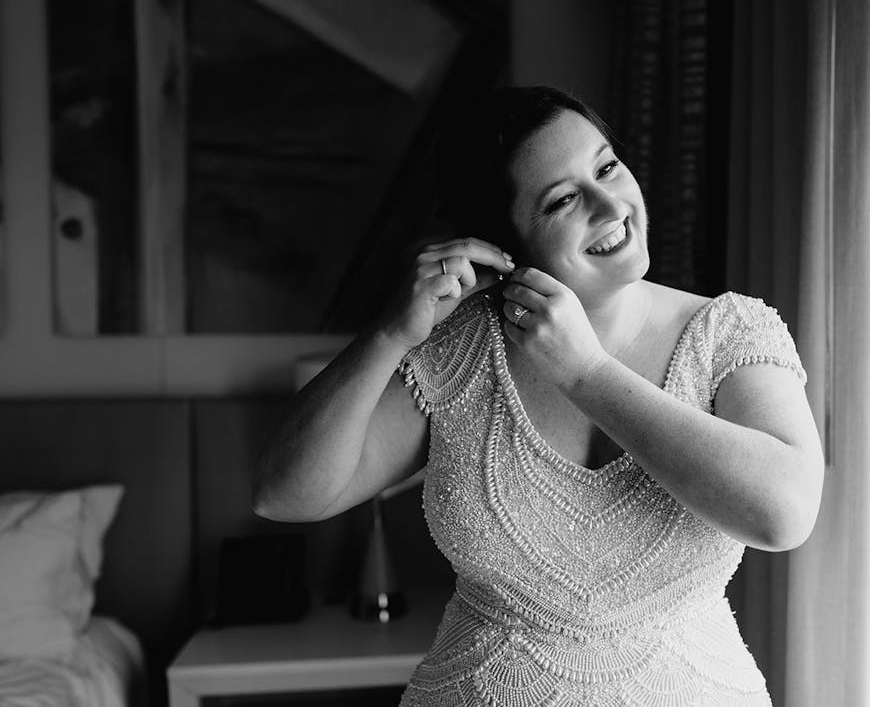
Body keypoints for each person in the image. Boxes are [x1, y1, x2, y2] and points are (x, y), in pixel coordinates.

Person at [252, 85, 824, 705]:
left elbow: (784, 512)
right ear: (507, 247)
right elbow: (285, 495)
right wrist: (391, 333)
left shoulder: (730, 332)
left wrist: (586, 373)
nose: (611, 205)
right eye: (563, 200)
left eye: (606, 166)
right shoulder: (461, 354)